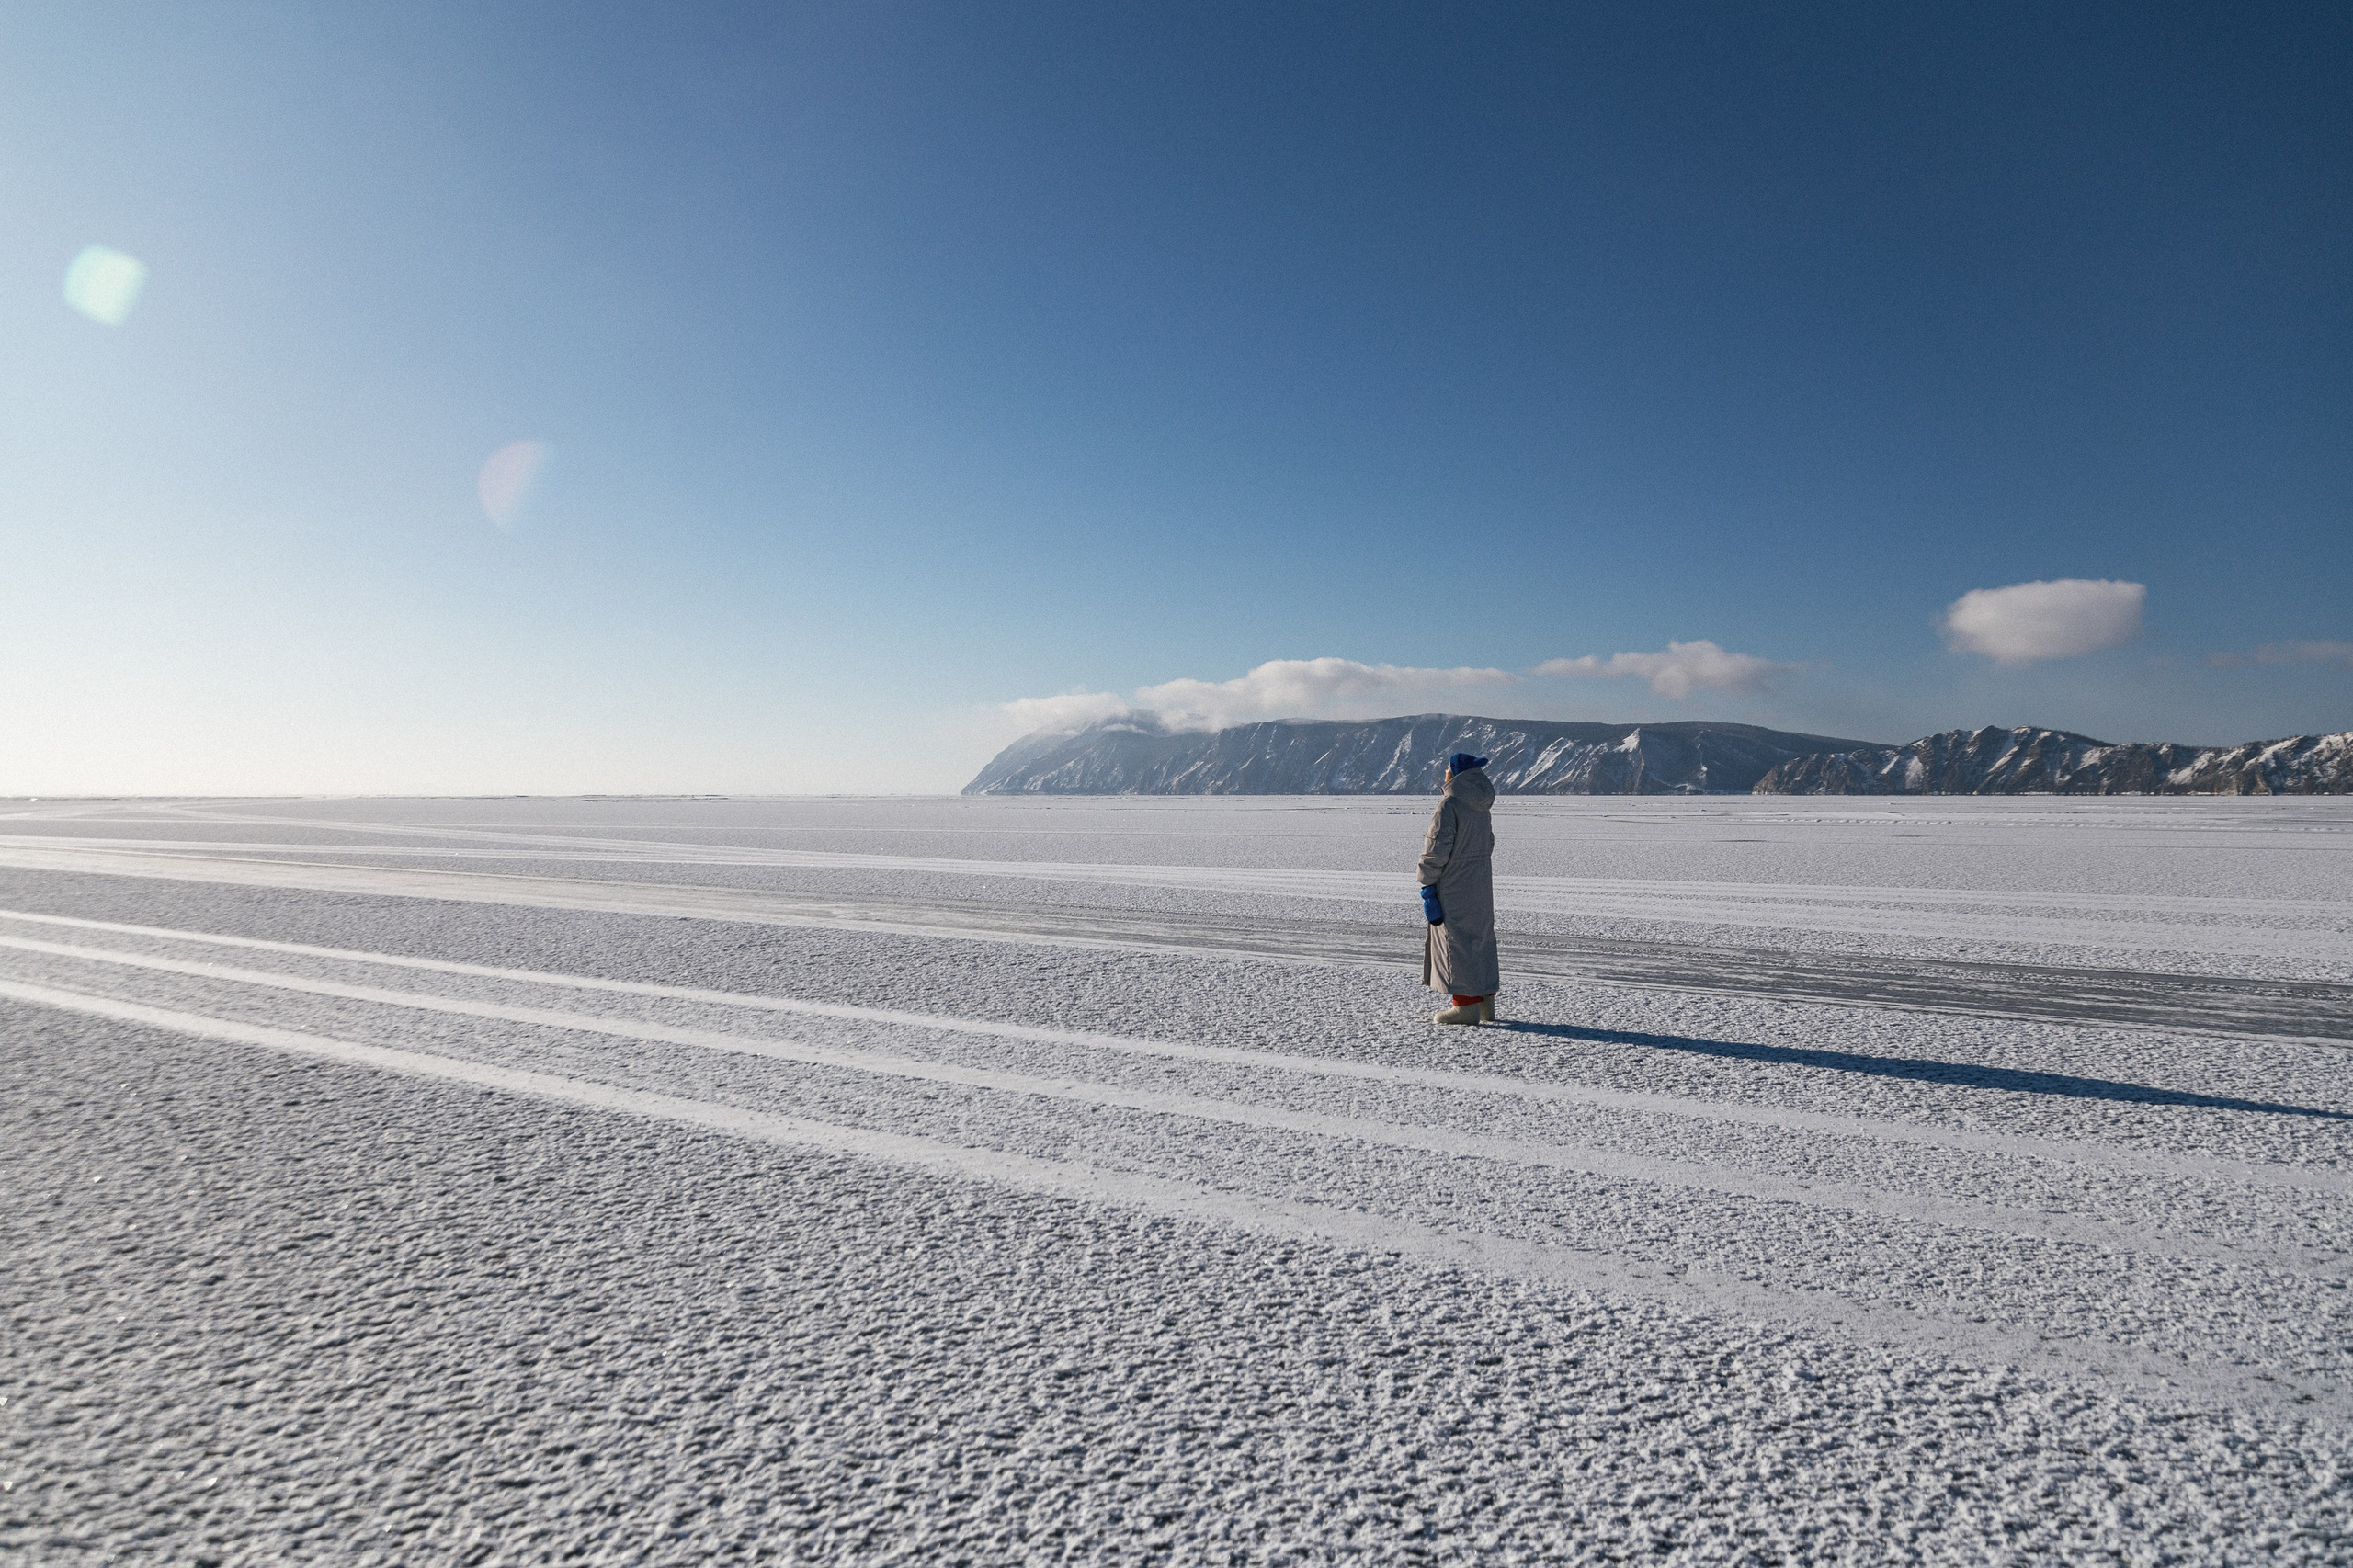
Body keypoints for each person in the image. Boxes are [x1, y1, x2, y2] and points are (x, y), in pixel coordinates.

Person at [1417, 751, 1500, 1025]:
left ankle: (1465, 1007)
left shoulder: (1449, 806)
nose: (1444, 774)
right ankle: (1485, 1003)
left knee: (1457, 941)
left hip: (1453, 885)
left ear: (1455, 772)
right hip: (1479, 883)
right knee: (1481, 939)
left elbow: (1436, 850)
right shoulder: (1481, 806)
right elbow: (1487, 844)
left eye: (1447, 769)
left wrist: (1427, 883)